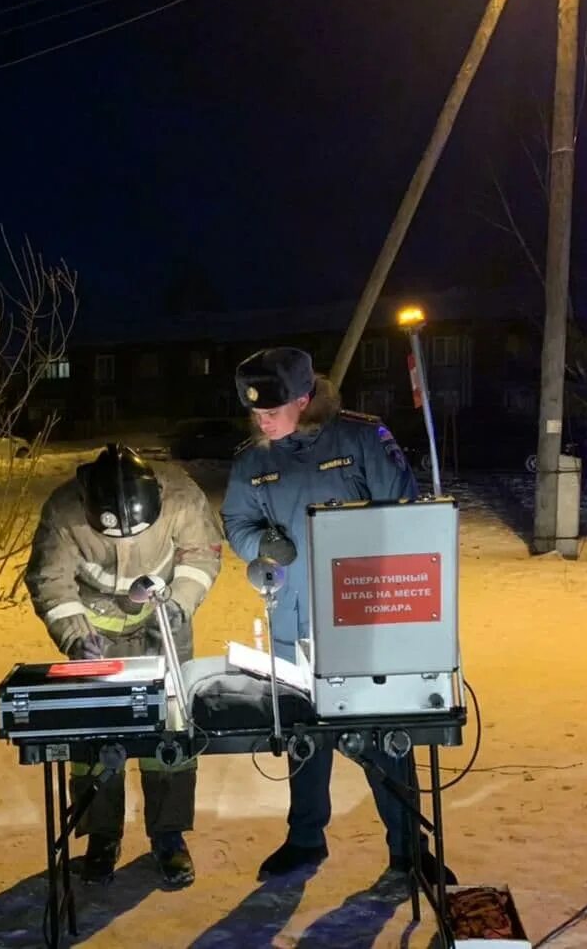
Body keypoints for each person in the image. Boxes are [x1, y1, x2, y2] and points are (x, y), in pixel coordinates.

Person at [221, 346, 454, 884]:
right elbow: (236, 521)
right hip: (293, 622)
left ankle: (407, 850)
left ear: (305, 399)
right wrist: (263, 547)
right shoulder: (253, 458)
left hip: (367, 620)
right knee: (305, 735)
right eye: (256, 411)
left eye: (273, 409)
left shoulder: (361, 439)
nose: (263, 419)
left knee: (382, 736)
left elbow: (404, 514)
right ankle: (305, 839)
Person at [26, 443, 223, 888]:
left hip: (163, 622)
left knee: (169, 731)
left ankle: (168, 835)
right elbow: (50, 582)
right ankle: (101, 836)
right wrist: (77, 638)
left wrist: (180, 604)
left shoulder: (180, 496)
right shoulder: (64, 511)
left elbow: (202, 554)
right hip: (95, 630)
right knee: (96, 734)